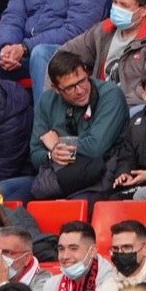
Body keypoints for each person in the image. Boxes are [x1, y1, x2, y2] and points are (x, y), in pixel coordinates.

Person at [29, 51, 128, 200]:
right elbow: (35, 154)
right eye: (70, 87)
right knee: (6, 193)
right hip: (59, 176)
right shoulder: (46, 101)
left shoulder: (110, 95)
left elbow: (96, 147)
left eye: (82, 81)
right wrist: (51, 155)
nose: (80, 90)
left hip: (101, 177)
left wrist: (56, 144)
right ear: (56, 89)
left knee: (71, 209)